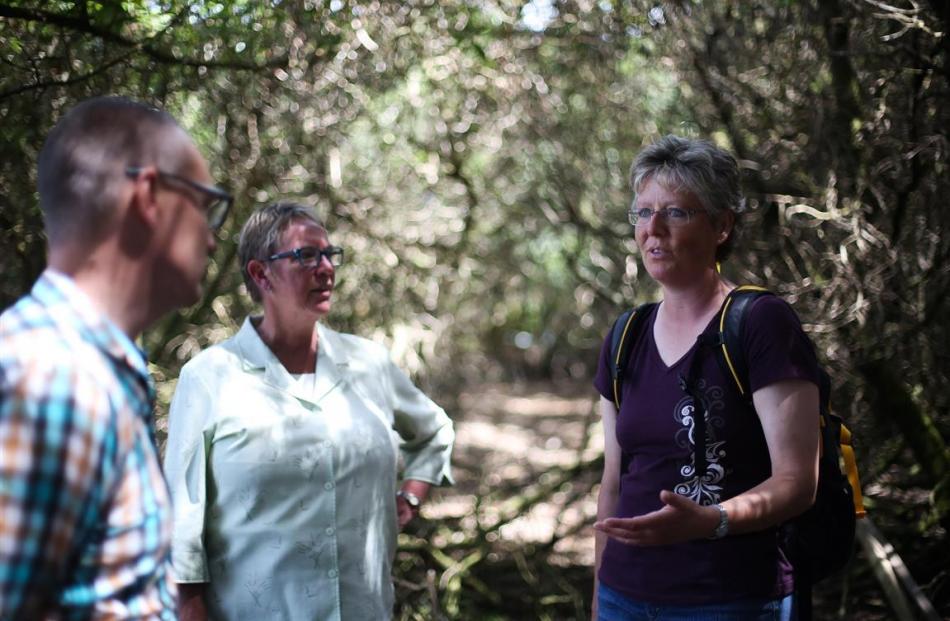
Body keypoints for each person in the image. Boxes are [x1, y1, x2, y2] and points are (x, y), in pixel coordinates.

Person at [164, 202, 455, 621]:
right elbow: (180, 528)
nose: (325, 268)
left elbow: (434, 431)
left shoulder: (369, 364)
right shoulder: (210, 378)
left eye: (329, 254)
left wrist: (410, 495)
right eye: (305, 256)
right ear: (260, 273)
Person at [0, 96, 231, 618]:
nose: (214, 239)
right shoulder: (48, 380)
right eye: (204, 205)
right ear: (149, 195)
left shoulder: (99, 373)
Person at [591, 135, 821, 620]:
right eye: (642, 212)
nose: (653, 228)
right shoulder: (625, 335)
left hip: (729, 598)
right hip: (622, 594)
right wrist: (598, 595)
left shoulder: (759, 323)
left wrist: (710, 521)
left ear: (721, 225)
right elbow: (613, 481)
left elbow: (798, 482)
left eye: (675, 213)